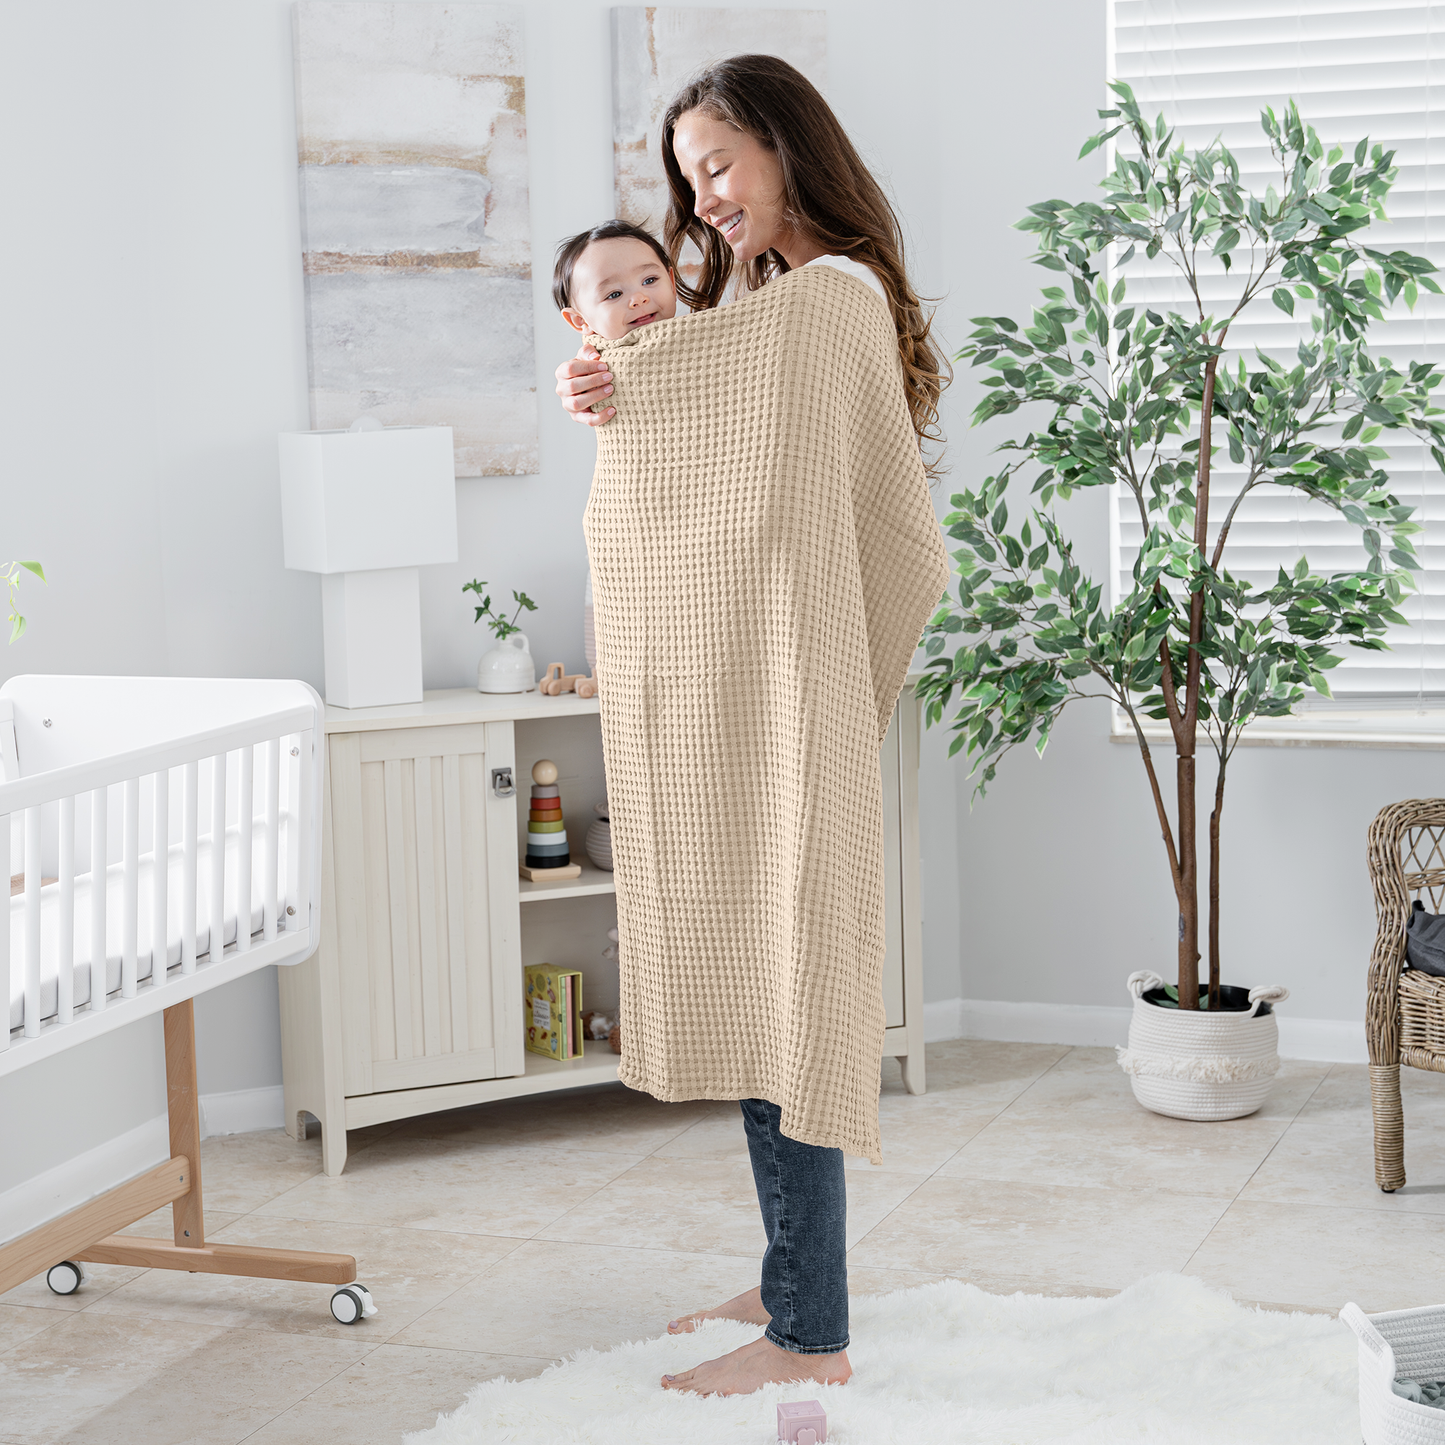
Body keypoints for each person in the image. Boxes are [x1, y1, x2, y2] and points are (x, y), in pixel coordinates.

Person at [557, 55, 949, 1399]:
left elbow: (789, 481)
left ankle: (811, 1335)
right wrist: (613, 391)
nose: (702, 197)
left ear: (786, 147)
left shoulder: (824, 300)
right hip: (758, 697)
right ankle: (794, 1274)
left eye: (719, 161)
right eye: (687, 177)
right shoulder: (761, 306)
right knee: (763, 980)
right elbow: (699, 434)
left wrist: (635, 380)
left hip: (789, 696)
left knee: (794, 991)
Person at [552, 220, 679, 341]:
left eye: (649, 280)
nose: (638, 299)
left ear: (671, 284)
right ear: (580, 320)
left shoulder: (696, 337)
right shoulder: (593, 363)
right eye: (614, 294)